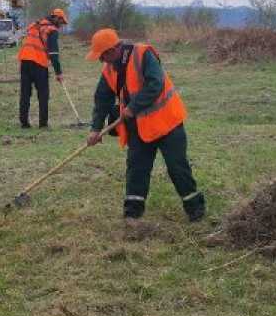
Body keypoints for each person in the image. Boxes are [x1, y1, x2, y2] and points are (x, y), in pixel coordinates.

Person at [85, 28, 206, 222]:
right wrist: (95, 129)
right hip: (139, 128)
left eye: (102, 56)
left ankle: (195, 208)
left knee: (177, 167)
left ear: (112, 50)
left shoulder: (143, 54)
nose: (101, 61)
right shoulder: (108, 70)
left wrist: (133, 107)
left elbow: (155, 84)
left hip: (167, 123)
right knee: (136, 168)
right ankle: (132, 212)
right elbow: (102, 99)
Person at [17, 8, 68, 128]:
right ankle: (43, 124)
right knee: (43, 94)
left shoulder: (35, 25)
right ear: (56, 18)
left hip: (24, 61)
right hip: (38, 63)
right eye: (61, 22)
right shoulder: (52, 30)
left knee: (25, 93)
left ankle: (24, 123)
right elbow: (54, 54)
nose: (61, 25)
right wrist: (58, 73)